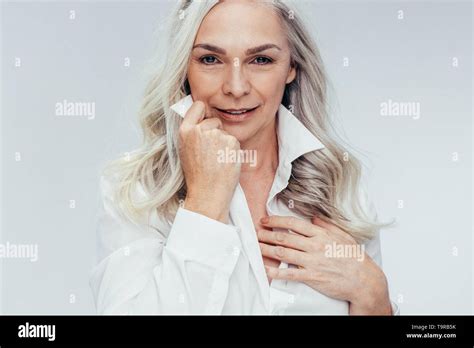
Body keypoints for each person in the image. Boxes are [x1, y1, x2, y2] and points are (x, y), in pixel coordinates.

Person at [89, 0, 399, 315]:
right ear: (184, 68)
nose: (236, 87)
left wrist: (374, 296)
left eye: (260, 59)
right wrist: (204, 201)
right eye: (210, 59)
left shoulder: (339, 187)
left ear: (292, 67)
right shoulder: (135, 193)